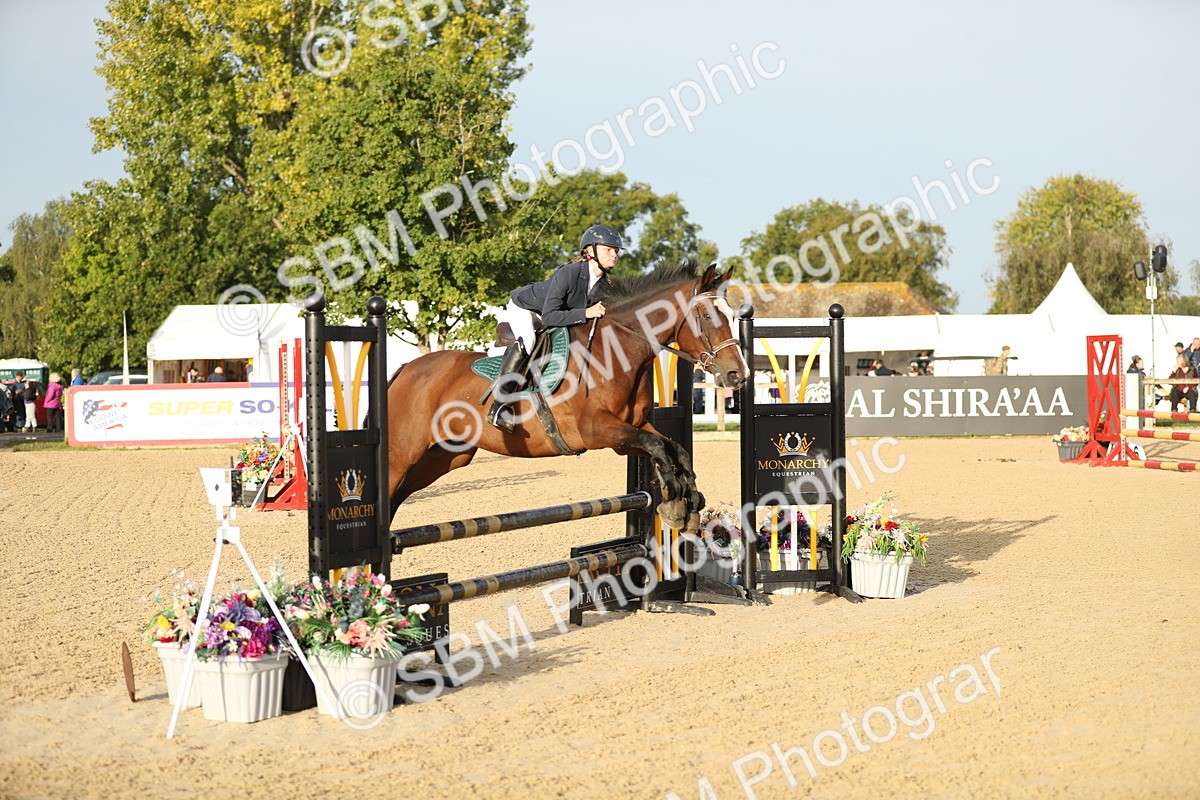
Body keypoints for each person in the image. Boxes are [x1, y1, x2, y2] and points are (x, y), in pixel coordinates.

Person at [487, 223, 624, 431]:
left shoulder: (605, 285)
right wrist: (586, 313)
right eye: (608, 249)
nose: (614, 254)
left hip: (553, 313)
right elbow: (550, 316)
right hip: (527, 308)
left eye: (616, 251)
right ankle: (499, 406)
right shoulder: (569, 273)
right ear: (590, 250)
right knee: (529, 340)